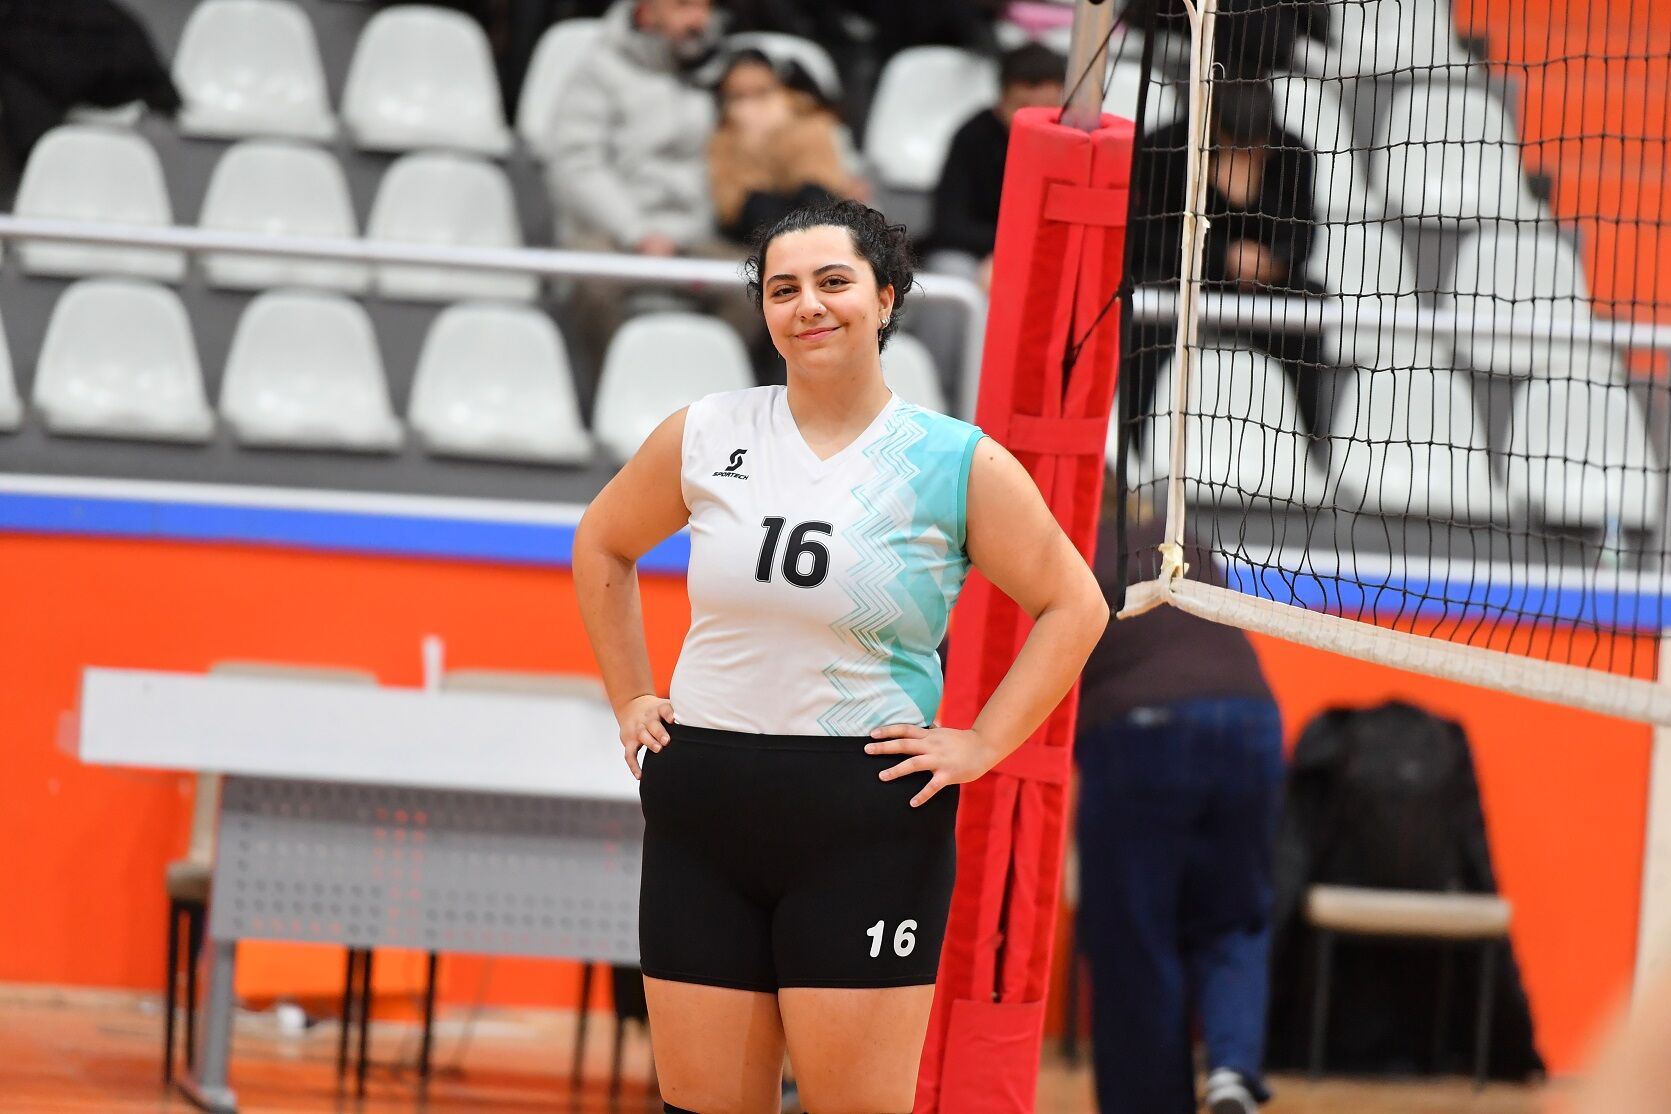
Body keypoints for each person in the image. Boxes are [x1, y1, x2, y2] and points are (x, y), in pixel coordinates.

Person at [572, 199, 1108, 1113]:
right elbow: (603, 543)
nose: (808, 305)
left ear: (885, 297)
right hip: (703, 809)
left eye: (833, 282)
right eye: (782, 289)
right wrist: (630, 696)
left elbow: (1075, 604)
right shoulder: (706, 432)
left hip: (863, 821)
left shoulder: (951, 459)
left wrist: (982, 743)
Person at [1074, 498, 1285, 1114]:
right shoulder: (1176, 536)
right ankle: (1232, 1071)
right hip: (1251, 721)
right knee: (1235, 919)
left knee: (1135, 939)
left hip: (1137, 730)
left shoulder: (1062, 544)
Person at [546, 0, 756, 380]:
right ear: (646, 13)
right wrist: (637, 232)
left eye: (704, 7)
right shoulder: (599, 70)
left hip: (697, 236)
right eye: (683, 6)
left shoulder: (717, 68)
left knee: (760, 283)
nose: (699, 19)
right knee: (593, 283)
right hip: (610, 235)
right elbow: (577, 164)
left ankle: (702, 393)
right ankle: (618, 392)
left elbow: (772, 130)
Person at [1123, 84, 1328, 441]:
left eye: (1255, 147)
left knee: (1308, 303)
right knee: (1146, 306)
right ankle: (1135, 435)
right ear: (1215, 126)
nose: (1248, 154)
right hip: (1180, 279)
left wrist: (1266, 252)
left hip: (1263, 285)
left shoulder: (1292, 153)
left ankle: (1309, 441)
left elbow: (1302, 238)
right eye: (1238, 145)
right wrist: (1221, 256)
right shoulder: (1166, 146)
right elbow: (1145, 238)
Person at [913, 42, 1065, 402]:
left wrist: (1012, 254)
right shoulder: (972, 137)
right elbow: (948, 225)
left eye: (1047, 108)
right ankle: (937, 399)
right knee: (950, 275)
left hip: (1043, 256)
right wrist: (1000, 252)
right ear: (1002, 100)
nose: (1034, 119)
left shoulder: (1073, 146)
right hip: (973, 257)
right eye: (1022, 107)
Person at [707, 49, 867, 247]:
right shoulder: (722, 137)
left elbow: (826, 181)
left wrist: (781, 133)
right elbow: (730, 204)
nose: (752, 105)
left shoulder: (812, 119)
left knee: (814, 198)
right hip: (754, 225)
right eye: (740, 96)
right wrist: (752, 144)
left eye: (761, 92)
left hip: (815, 212)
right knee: (759, 206)